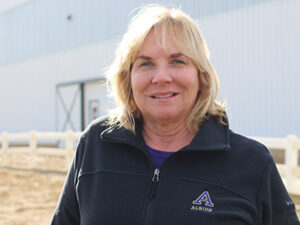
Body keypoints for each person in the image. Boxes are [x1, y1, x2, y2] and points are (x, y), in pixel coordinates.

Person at [51, 4, 299, 225]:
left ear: (200, 76)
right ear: (128, 79)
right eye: (145, 63)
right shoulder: (96, 144)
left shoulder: (252, 164)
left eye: (177, 61)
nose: (161, 78)